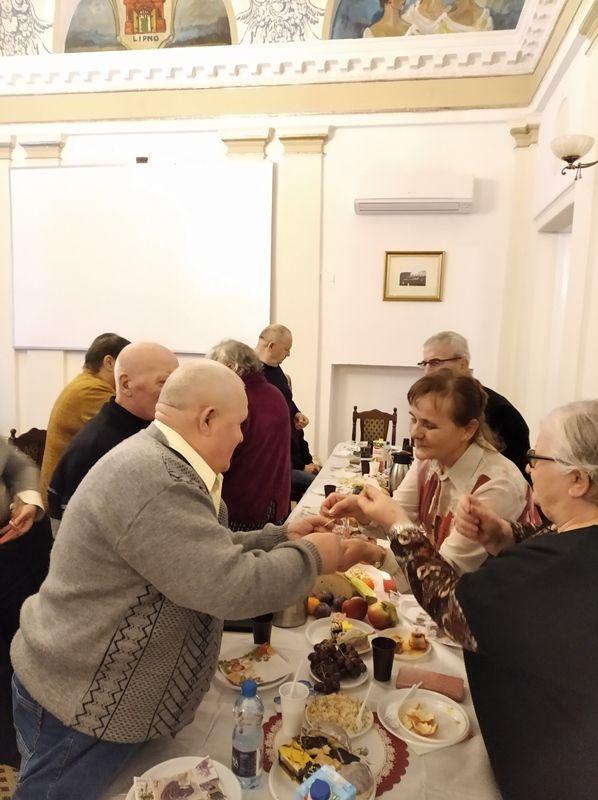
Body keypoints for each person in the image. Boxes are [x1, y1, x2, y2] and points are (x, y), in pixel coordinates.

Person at [10, 360, 355, 800]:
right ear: (207, 418)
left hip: (95, 693)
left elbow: (197, 550)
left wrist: (280, 537)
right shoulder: (157, 478)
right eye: (239, 424)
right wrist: (315, 556)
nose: (243, 437)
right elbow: (229, 585)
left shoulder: (163, 462)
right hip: (79, 701)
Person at [341, 399, 598, 800]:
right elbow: (551, 541)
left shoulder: (559, 564)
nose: (529, 466)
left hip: (554, 768)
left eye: (537, 458)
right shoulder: (574, 537)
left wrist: (399, 525)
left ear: (577, 481)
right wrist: (505, 537)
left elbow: (452, 607)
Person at [322, 370, 538, 575]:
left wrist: (374, 554)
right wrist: (363, 513)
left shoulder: (495, 485)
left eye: (429, 425)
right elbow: (397, 517)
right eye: (414, 419)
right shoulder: (430, 458)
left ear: (468, 430)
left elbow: (444, 577)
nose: (415, 433)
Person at [47, 342, 178, 525]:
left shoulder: (144, 427)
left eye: (176, 383)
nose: (175, 393)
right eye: (163, 382)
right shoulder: (96, 447)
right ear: (126, 385)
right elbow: (75, 530)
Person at [418, 331, 530, 478]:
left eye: (435, 363)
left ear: (463, 364)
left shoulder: (500, 411)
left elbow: (512, 475)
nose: (427, 372)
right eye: (424, 364)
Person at [209, 339, 291, 530]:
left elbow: (218, 459)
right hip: (276, 502)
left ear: (231, 367)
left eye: (214, 370)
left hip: (244, 507)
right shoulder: (274, 393)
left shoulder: (237, 400)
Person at [0, 440, 47, 774]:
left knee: (22, 647)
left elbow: (16, 464)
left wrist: (28, 498)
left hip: (13, 549)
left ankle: (27, 735)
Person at [39, 332, 130, 503]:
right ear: (109, 362)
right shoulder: (91, 390)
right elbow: (130, 429)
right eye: (128, 365)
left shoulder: (86, 383)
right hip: (62, 498)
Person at [255, 324, 320, 497]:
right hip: (278, 466)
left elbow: (287, 401)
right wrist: (301, 466)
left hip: (293, 457)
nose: (289, 354)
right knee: (319, 487)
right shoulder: (256, 375)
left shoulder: (275, 369)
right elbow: (272, 435)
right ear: (271, 346)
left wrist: (296, 413)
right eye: (286, 349)